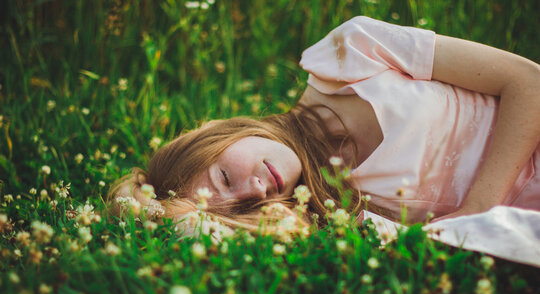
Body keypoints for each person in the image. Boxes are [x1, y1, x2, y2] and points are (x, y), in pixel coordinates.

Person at [109, 16, 540, 238]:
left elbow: (527, 81)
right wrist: (152, 211)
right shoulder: (350, 215)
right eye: (245, 209)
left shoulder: (350, 55)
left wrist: (482, 208)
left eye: (224, 178)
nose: (256, 192)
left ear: (222, 132)